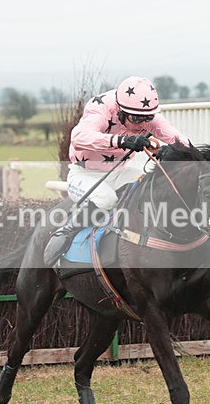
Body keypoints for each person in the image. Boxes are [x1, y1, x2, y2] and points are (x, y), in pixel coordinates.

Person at [43, 76, 190, 265]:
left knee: (150, 187)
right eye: (136, 119)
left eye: (147, 119)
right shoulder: (101, 108)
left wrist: (173, 150)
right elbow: (78, 138)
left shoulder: (145, 112)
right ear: (120, 111)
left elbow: (180, 139)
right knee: (106, 199)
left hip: (119, 172)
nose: (142, 125)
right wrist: (122, 141)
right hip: (83, 174)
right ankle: (66, 230)